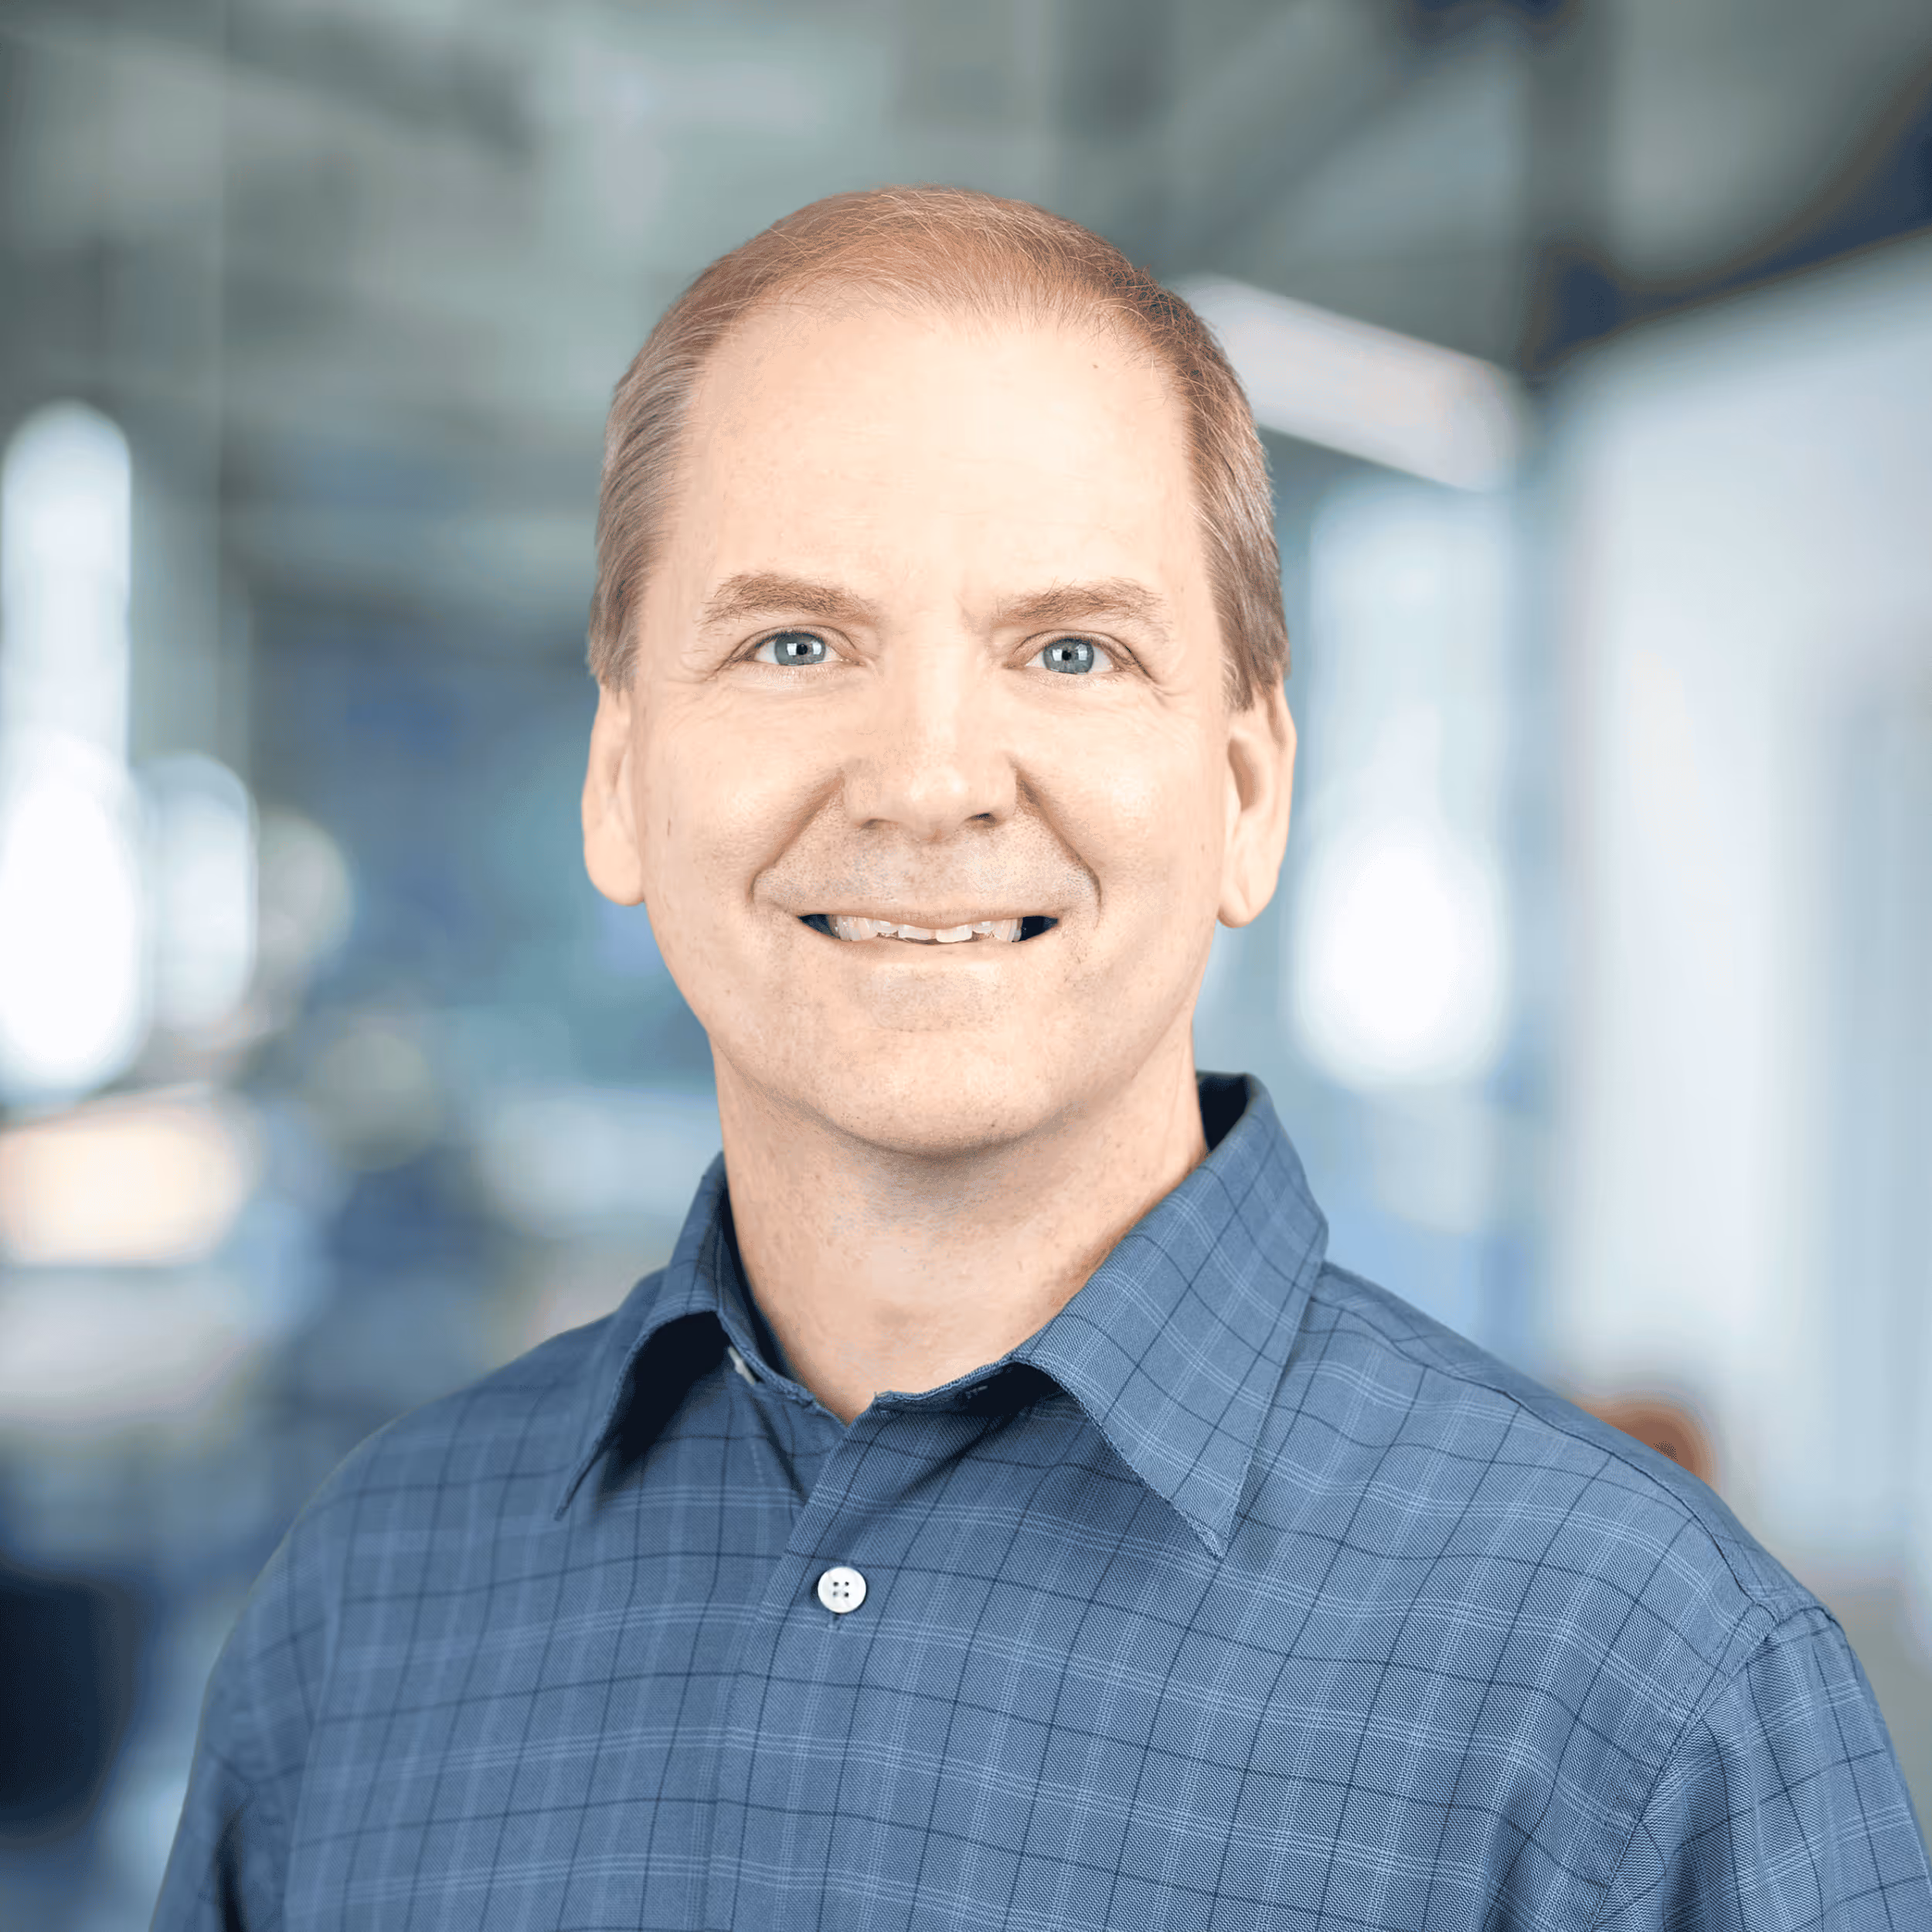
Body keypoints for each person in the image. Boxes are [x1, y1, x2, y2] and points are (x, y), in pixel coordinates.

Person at [154, 187, 1930, 1931]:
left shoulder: (1646, 1692)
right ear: (620, 779)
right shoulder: (368, 1607)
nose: (930, 779)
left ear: (1247, 793)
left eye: (1069, 648)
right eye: (794, 643)